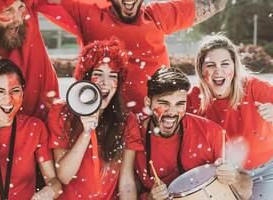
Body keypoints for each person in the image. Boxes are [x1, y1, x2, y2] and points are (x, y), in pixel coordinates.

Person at [44, 0, 227, 114]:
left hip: (156, 121)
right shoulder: (87, 13)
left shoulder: (157, 15)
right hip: (104, 122)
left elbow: (217, 3)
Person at [47, 38, 144, 199]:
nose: (105, 83)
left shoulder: (126, 120)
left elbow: (126, 182)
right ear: (85, 78)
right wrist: (86, 133)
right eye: (98, 74)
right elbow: (64, 176)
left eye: (112, 76)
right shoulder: (61, 113)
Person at [135, 67, 252, 200]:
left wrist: (234, 177)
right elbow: (129, 191)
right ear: (148, 103)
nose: (172, 112)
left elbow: (246, 190)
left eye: (180, 104)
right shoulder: (135, 136)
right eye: (164, 103)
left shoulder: (211, 132)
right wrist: (150, 197)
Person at [187, 34, 273, 200]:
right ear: (201, 69)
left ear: (234, 67)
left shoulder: (253, 87)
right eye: (210, 65)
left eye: (225, 63)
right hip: (224, 174)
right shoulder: (194, 98)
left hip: (265, 170)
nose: (218, 71)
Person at [0, 57, 62, 200]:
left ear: (23, 93)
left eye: (15, 90)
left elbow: (54, 182)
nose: (8, 99)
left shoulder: (34, 128)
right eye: (0, 91)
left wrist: (48, 192)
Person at [0, 0, 59, 120]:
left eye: (20, 8)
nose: (18, 19)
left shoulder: (25, 15)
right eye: (8, 10)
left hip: (47, 130)